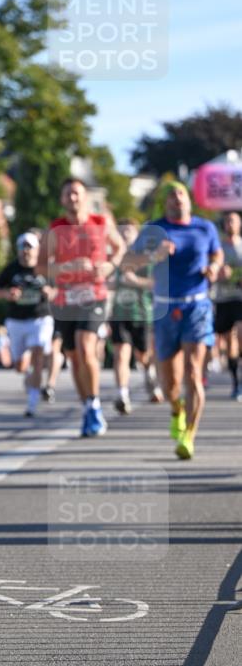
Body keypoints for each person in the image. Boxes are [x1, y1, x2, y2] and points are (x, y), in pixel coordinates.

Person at [123, 181, 223, 459]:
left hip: (197, 306)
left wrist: (214, 267)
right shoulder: (154, 229)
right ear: (165, 203)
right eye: (171, 195)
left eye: (181, 193)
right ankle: (176, 409)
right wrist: (153, 255)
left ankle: (189, 436)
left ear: (188, 199)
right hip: (166, 309)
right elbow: (127, 263)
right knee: (169, 383)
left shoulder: (205, 228)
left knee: (193, 372)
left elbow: (217, 253)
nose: (177, 199)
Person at [38, 178, 125, 437]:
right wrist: (66, 267)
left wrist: (109, 266)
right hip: (66, 300)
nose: (73, 198)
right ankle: (88, 406)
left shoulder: (101, 223)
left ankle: (96, 403)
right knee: (74, 357)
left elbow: (119, 248)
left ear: (86, 197)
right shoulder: (55, 229)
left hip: (94, 295)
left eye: (76, 193)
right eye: (68, 194)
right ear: (62, 200)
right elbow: (41, 266)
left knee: (86, 346)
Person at [0, 232, 55, 417]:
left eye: (29, 247)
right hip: (16, 320)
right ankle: (29, 377)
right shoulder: (11, 269)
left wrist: (50, 291)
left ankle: (32, 401)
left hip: (40, 318)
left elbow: (58, 289)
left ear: (36, 250)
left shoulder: (45, 269)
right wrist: (6, 294)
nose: (26, 251)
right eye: (22, 247)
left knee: (38, 353)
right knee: (20, 366)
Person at [109, 218, 163, 414]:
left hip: (141, 313)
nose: (124, 235)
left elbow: (155, 283)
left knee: (143, 355)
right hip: (118, 314)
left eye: (128, 232)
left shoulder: (144, 259)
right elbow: (106, 283)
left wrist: (134, 280)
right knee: (121, 354)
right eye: (121, 232)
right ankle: (122, 394)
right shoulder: (113, 259)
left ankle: (150, 375)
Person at [213, 211, 242, 400]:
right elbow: (211, 272)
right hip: (223, 299)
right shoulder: (219, 248)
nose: (229, 224)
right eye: (226, 222)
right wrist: (219, 273)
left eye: (232, 221)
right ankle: (236, 382)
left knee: (240, 334)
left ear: (239, 224)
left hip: (240, 298)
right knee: (229, 341)